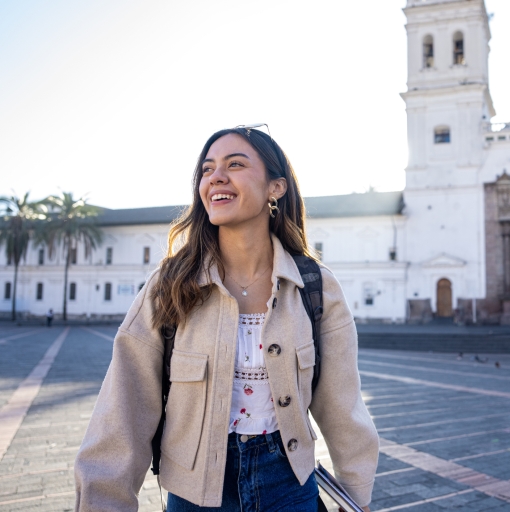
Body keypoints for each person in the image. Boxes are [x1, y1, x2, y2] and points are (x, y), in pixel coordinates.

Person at [74, 126, 379, 511]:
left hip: (290, 485)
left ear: (276, 188)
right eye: (207, 169)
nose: (216, 176)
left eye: (235, 164)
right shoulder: (169, 285)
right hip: (196, 493)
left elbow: (343, 405)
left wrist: (357, 495)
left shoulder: (315, 286)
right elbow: (123, 410)